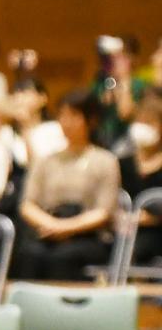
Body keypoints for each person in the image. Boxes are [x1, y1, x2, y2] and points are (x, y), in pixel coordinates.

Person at [12, 91, 121, 283]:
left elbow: (104, 211)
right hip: (47, 229)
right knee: (29, 253)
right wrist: (51, 224)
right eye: (62, 115)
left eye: (74, 116)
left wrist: (67, 227)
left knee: (62, 257)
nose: (66, 122)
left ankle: (65, 312)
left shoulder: (106, 160)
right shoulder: (45, 160)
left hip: (88, 236)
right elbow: (27, 204)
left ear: (91, 120)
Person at [121, 92, 162, 268]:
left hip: (156, 230)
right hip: (125, 227)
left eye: (150, 122)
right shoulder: (122, 162)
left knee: (143, 244)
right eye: (140, 122)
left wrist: (145, 218)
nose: (143, 127)